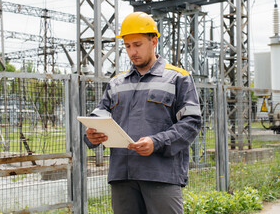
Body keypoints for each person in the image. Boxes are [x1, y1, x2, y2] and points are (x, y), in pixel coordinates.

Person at [84, 11, 202, 214]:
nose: (132, 52)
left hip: (160, 174)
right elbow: (99, 115)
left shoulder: (178, 78)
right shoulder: (116, 83)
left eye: (137, 45)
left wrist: (157, 142)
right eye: (127, 46)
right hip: (123, 175)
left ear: (153, 41)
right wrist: (92, 133)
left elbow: (191, 123)